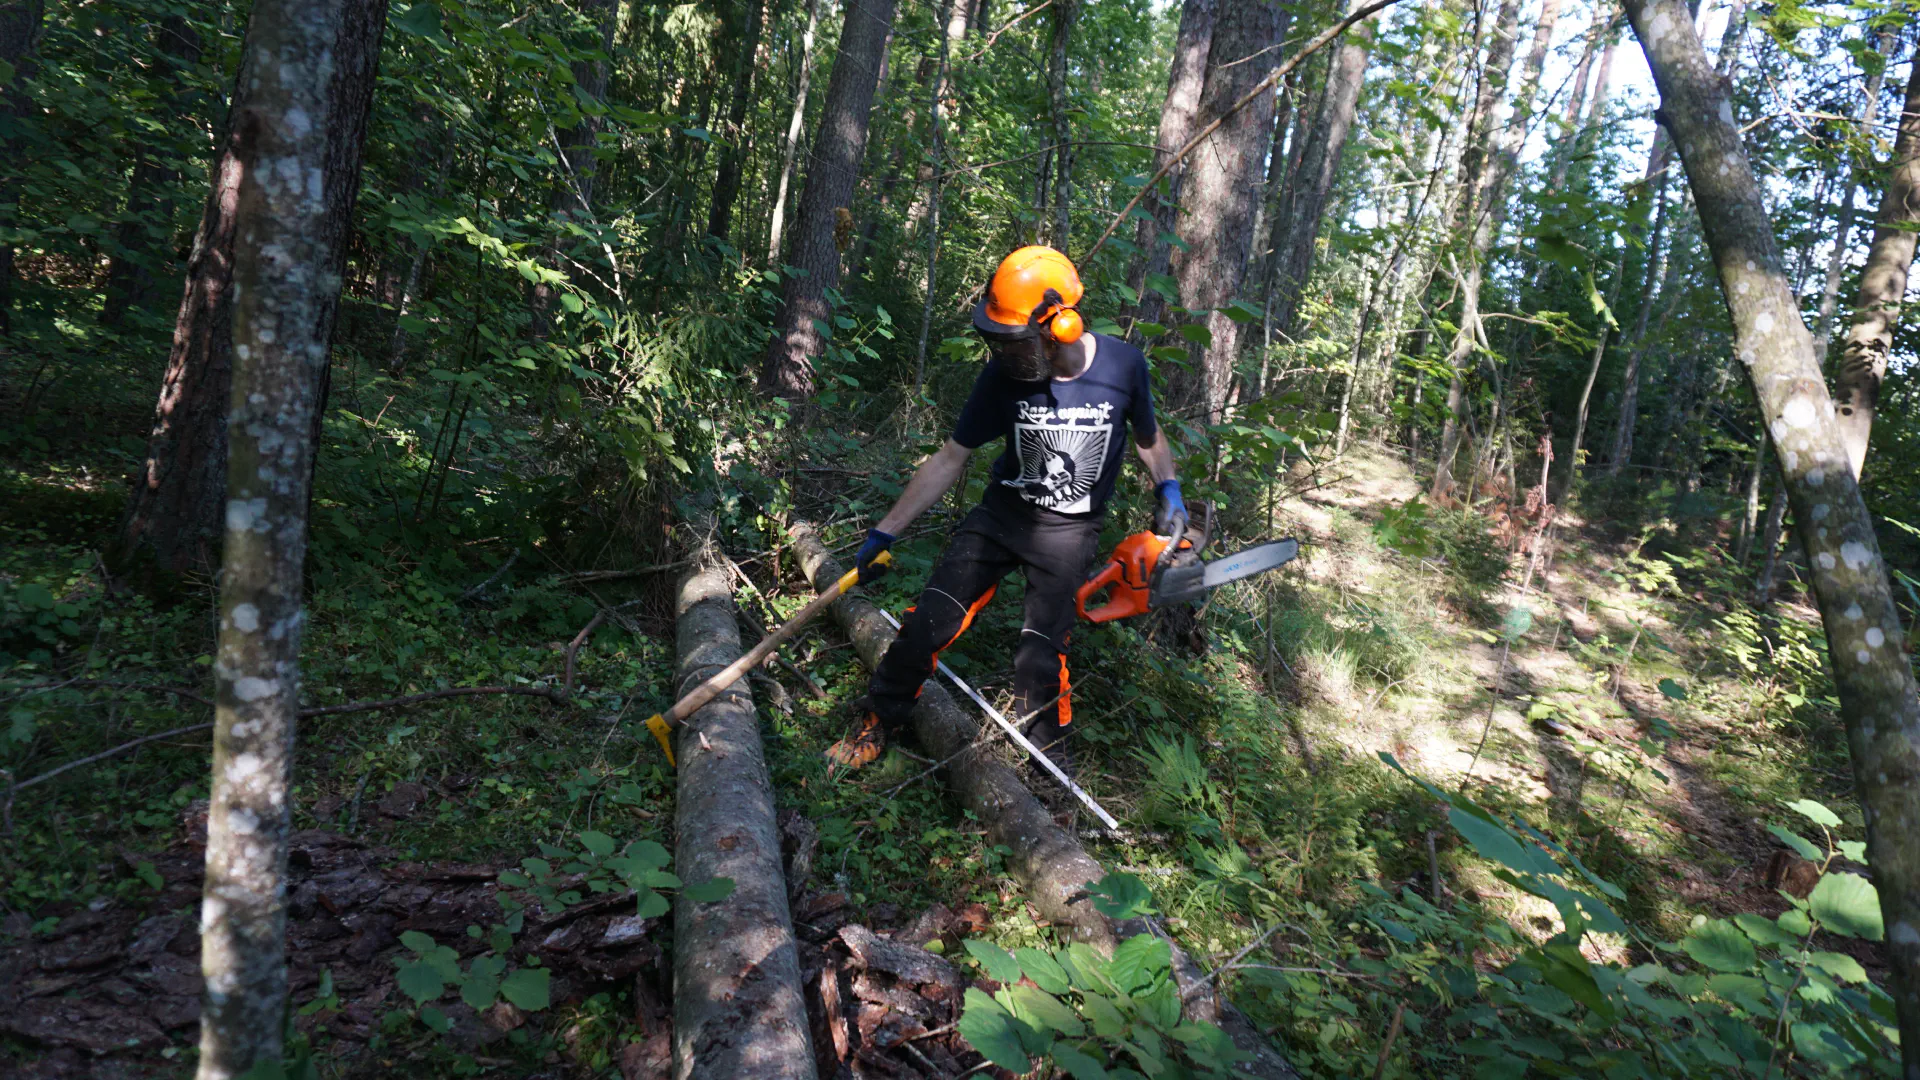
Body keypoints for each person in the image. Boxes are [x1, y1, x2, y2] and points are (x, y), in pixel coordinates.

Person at [826, 245, 1185, 775]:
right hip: (1000, 518)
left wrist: (1169, 488)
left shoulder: (1123, 366)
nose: (1006, 349)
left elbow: (1150, 439)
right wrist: (885, 532)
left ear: (1059, 325)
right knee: (928, 621)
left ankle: (1047, 774)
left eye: (1013, 337)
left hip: (1070, 532)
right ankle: (878, 719)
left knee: (1042, 658)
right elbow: (951, 457)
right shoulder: (1002, 378)